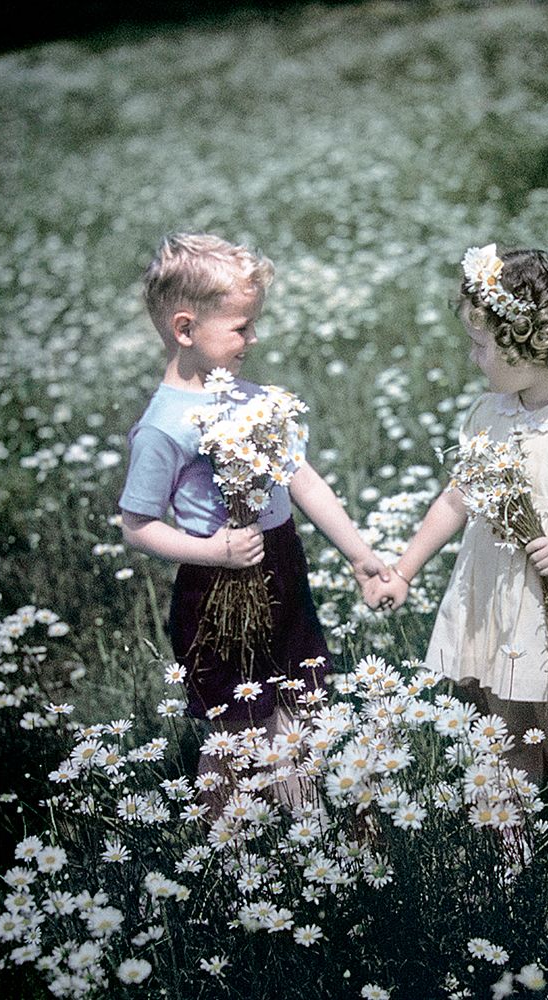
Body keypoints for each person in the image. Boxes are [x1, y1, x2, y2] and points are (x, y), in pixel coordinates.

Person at [364, 243, 548, 906]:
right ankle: (514, 851)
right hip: (496, 595)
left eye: (480, 345)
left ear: (526, 342)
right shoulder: (487, 413)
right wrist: (405, 568)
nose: (472, 358)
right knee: (505, 743)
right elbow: (455, 497)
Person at [119, 232, 389, 810]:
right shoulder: (164, 426)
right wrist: (215, 551)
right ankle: (224, 848)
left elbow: (304, 480)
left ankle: (306, 833)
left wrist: (360, 556)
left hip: (283, 568)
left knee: (301, 708)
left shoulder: (256, 400)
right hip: (216, 585)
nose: (254, 337)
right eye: (241, 327)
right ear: (185, 329)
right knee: (233, 730)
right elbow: (137, 524)